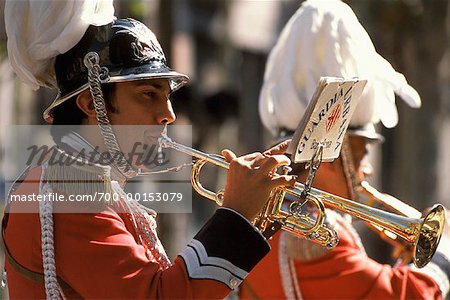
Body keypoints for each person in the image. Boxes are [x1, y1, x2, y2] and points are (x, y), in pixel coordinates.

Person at [1, 1, 297, 298]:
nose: (169, 114)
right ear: (92, 104)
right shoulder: (71, 194)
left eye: (168, 97)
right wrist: (237, 214)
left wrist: (252, 213)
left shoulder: (77, 184)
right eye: (148, 94)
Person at [240, 0, 450, 299]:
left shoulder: (268, 214)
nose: (367, 168)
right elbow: (404, 295)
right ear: (327, 155)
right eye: (362, 153)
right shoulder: (312, 231)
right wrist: (444, 249)